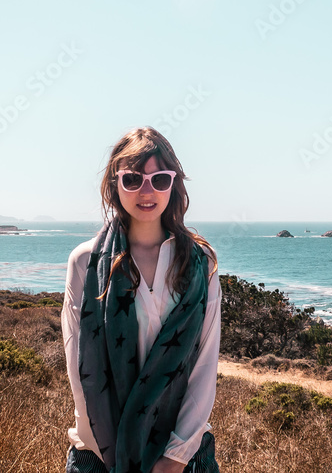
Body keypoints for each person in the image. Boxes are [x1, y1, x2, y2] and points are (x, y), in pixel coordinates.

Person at [62, 127, 221, 473]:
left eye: (159, 180)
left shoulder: (200, 264)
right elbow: (80, 371)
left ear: (173, 184)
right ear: (115, 184)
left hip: (186, 458)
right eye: (133, 179)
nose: (146, 191)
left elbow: (205, 365)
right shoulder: (85, 262)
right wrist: (113, 453)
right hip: (98, 456)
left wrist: (175, 458)